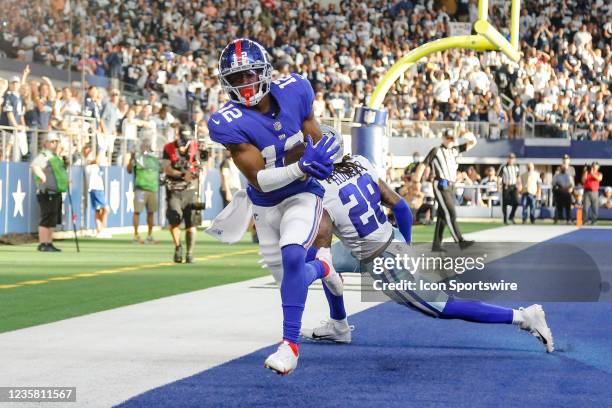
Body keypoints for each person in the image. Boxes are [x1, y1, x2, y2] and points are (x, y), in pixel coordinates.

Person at [300, 126, 554, 353]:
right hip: (387, 239)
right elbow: (401, 209)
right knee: (326, 260)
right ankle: (339, 325)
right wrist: (405, 246)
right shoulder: (359, 162)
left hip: (381, 259)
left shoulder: (320, 189)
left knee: (443, 307)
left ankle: (523, 316)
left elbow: (316, 237)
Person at [207, 38, 343, 375]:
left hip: (302, 194)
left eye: (249, 74)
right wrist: (302, 164)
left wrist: (330, 148)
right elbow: (259, 179)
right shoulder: (227, 121)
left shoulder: (295, 89)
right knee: (290, 279)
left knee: (293, 253)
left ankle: (289, 346)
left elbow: (315, 136)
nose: (245, 84)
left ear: (264, 71)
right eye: (236, 79)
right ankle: (325, 268)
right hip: (265, 204)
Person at [415, 128, 477, 252]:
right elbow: (423, 164)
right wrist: (416, 181)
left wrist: (467, 134)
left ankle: (436, 245)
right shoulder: (436, 151)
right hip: (441, 185)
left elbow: (473, 142)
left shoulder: (455, 150)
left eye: (451, 139)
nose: (449, 141)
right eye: (447, 138)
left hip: (451, 186)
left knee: (443, 216)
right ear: (443, 138)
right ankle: (460, 241)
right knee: (451, 212)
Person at [162, 127, 203, 263]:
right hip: (174, 188)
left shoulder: (195, 148)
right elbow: (166, 167)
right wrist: (180, 174)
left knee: (191, 222)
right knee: (174, 218)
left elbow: (201, 166)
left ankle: (190, 252)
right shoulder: (168, 148)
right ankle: (178, 246)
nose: (183, 145)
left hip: (191, 189)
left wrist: (194, 172)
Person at [30, 132, 68, 252]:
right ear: (46, 143)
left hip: (56, 192)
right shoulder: (44, 156)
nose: (55, 144)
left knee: (53, 219)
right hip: (46, 192)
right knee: (46, 218)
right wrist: (42, 176)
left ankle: (49, 242)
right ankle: (43, 243)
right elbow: (35, 166)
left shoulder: (55, 156)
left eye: (56, 141)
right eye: (52, 142)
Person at [127, 138, 160, 244]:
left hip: (153, 189)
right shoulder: (137, 158)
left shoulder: (154, 159)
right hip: (140, 190)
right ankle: (136, 235)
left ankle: (150, 236)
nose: (146, 147)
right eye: (144, 145)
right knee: (137, 212)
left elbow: (162, 169)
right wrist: (131, 158)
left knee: (151, 213)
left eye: (147, 145)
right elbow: (129, 170)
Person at [83, 145, 111, 238]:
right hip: (94, 189)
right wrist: (102, 149)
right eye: (86, 151)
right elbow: (96, 161)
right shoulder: (87, 162)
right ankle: (101, 230)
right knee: (105, 209)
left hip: (99, 189)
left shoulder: (94, 163)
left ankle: (100, 230)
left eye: (89, 150)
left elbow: (97, 161)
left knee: (100, 210)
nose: (89, 152)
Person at [1, 76, 26, 161]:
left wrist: (23, 125)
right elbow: (9, 112)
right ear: (10, 85)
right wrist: (16, 125)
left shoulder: (20, 98)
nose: (15, 85)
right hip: (7, 129)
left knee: (14, 153)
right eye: (13, 83)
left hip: (15, 131)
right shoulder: (8, 96)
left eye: (17, 83)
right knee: (4, 152)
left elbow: (21, 114)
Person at [497, 153, 521, 224]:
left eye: (512, 158)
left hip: (514, 186)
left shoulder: (516, 167)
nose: (511, 160)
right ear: (508, 159)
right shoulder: (504, 167)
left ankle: (511, 216)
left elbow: (518, 176)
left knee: (516, 202)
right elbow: (499, 177)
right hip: (506, 186)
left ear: (514, 159)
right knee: (505, 203)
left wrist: (520, 184)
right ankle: (505, 219)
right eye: (510, 158)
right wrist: (498, 185)